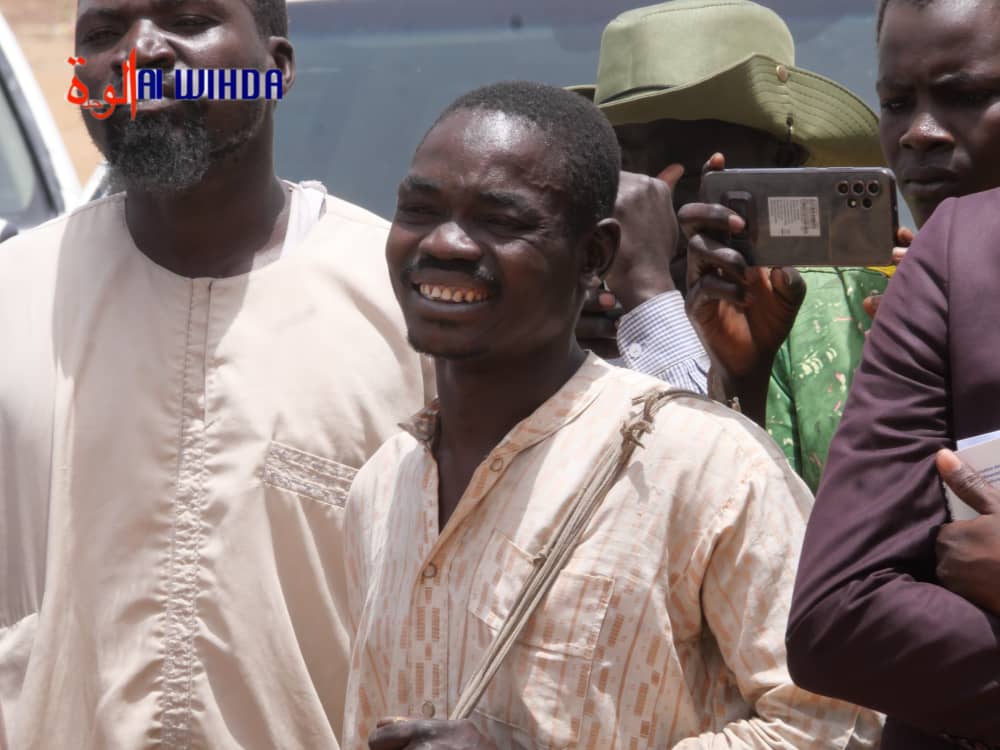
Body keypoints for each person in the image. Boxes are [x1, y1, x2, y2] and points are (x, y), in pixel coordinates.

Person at [341, 80, 881, 750]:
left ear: (594, 256)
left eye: (501, 221)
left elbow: (839, 724)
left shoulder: (708, 467)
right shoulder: (382, 486)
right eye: (419, 211)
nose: (446, 243)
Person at [0, 0, 432, 746]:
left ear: (277, 69)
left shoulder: (406, 306)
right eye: (103, 35)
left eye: (189, 20)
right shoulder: (14, 293)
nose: (140, 53)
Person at [786, 0, 1000, 747]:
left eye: (967, 96)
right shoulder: (952, 262)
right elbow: (839, 613)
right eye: (897, 103)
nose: (920, 133)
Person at [573, 0, 888, 493]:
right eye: (626, 173)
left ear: (781, 163)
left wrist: (648, 297)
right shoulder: (561, 315)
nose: (645, 205)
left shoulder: (867, 311)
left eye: (692, 174)